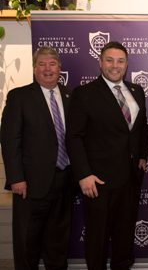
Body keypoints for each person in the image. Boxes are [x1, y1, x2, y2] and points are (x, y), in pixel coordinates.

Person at [66, 41, 148, 270]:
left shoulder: (136, 91)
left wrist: (142, 155)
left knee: (124, 235)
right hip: (98, 181)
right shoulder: (84, 94)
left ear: (127, 64)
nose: (115, 66)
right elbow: (74, 137)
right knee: (97, 238)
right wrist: (84, 175)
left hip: (130, 180)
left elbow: (141, 128)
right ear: (100, 62)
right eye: (110, 60)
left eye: (120, 61)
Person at [1, 46, 73, 269]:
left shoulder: (71, 96)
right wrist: (16, 178)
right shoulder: (19, 97)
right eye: (42, 64)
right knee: (27, 241)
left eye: (52, 64)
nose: (47, 69)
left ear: (60, 68)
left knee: (58, 242)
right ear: (34, 69)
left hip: (64, 181)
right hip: (30, 184)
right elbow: (9, 140)